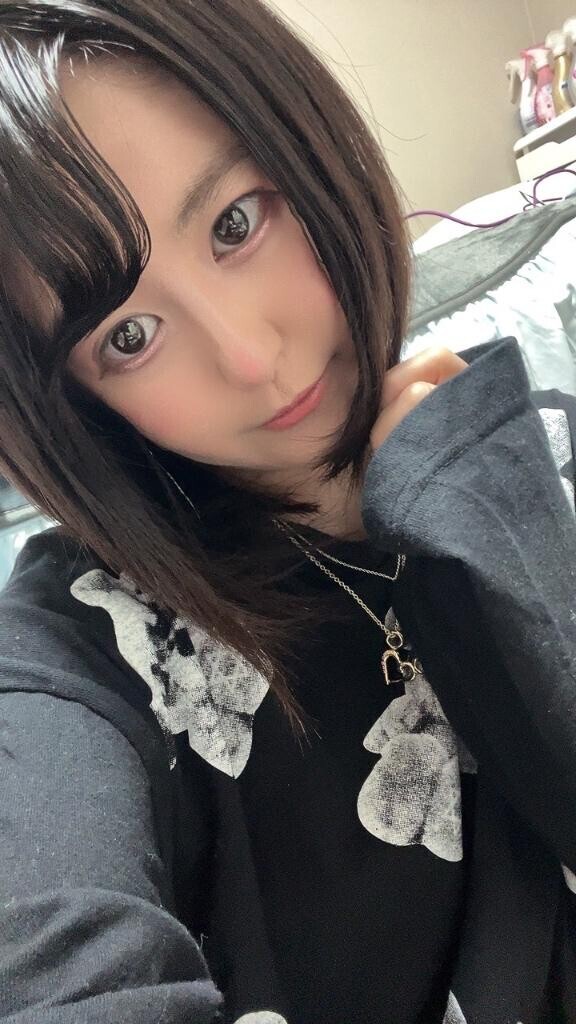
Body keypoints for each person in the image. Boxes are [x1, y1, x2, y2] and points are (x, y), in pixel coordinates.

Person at [0, 2, 574, 1023]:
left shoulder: (530, 438)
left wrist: (492, 516)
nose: (251, 356)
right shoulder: (81, 649)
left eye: (235, 223)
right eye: (129, 335)